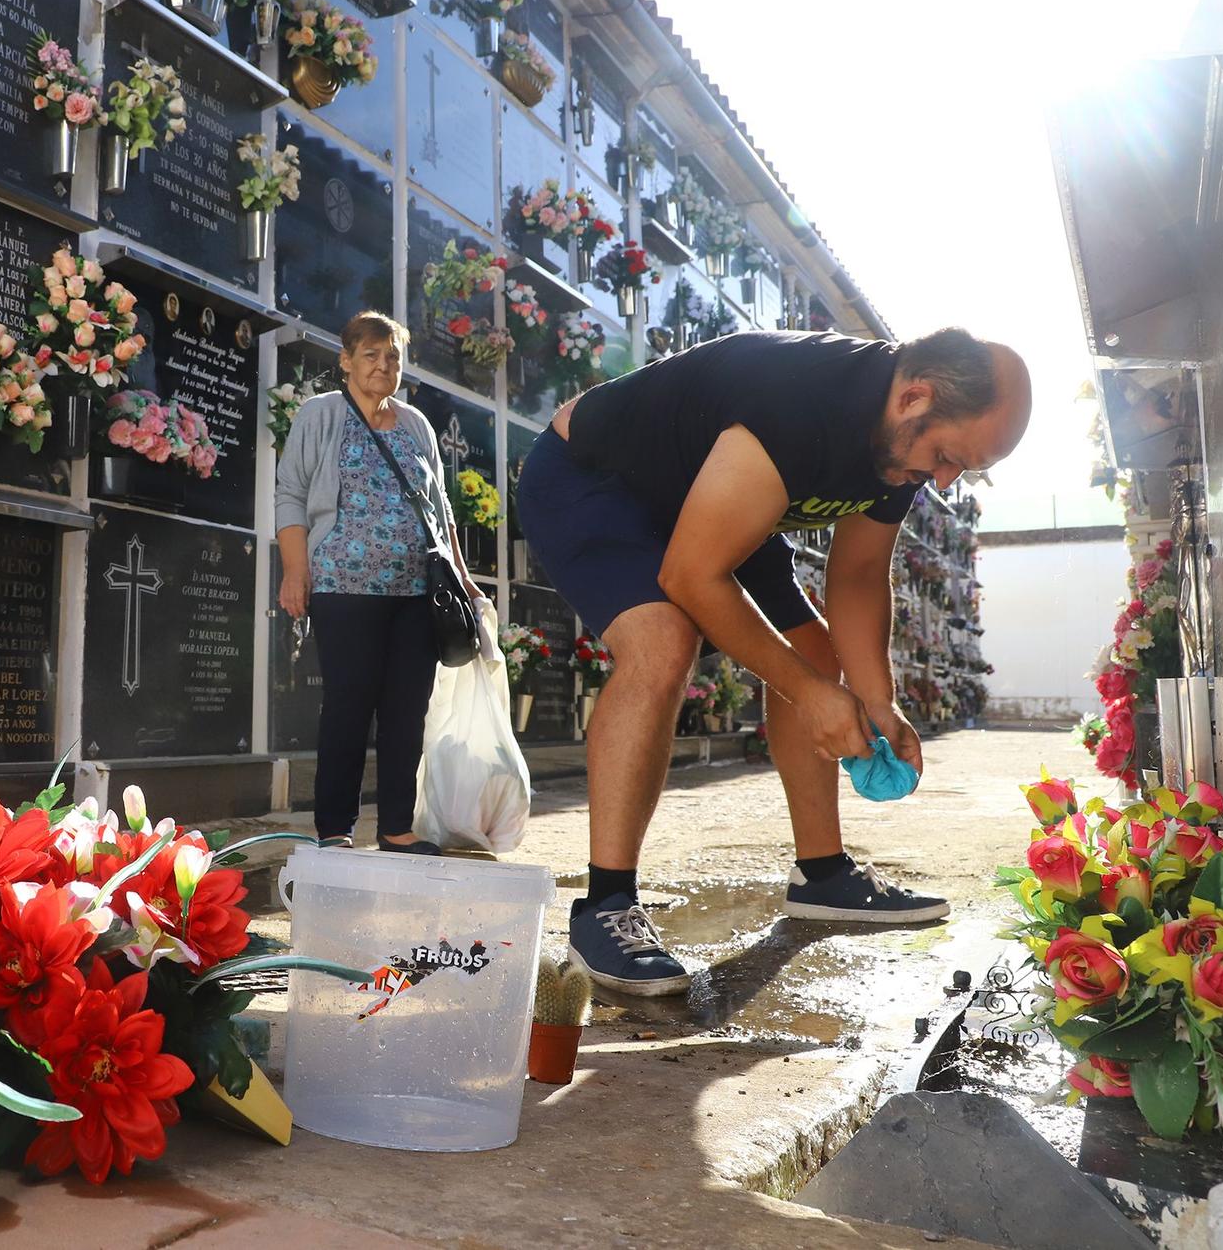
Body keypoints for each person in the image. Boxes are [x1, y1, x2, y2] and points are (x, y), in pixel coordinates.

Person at [515, 327, 1031, 994]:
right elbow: (692, 576)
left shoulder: (901, 441)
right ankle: (605, 906)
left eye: (961, 467)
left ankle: (823, 875)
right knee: (664, 641)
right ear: (914, 398)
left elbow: (859, 574)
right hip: (594, 482)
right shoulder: (800, 402)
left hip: (709, 494)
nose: (944, 479)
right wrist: (812, 696)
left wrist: (877, 699)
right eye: (947, 457)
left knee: (813, 650)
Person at [275, 311, 481, 854]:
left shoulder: (415, 424)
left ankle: (396, 827)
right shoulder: (321, 415)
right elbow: (290, 494)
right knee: (347, 705)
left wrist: (463, 579)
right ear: (346, 361)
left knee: (406, 709)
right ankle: (335, 829)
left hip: (417, 593)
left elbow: (440, 511)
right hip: (344, 587)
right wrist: (296, 570)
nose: (383, 365)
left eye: (392, 356)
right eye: (371, 355)